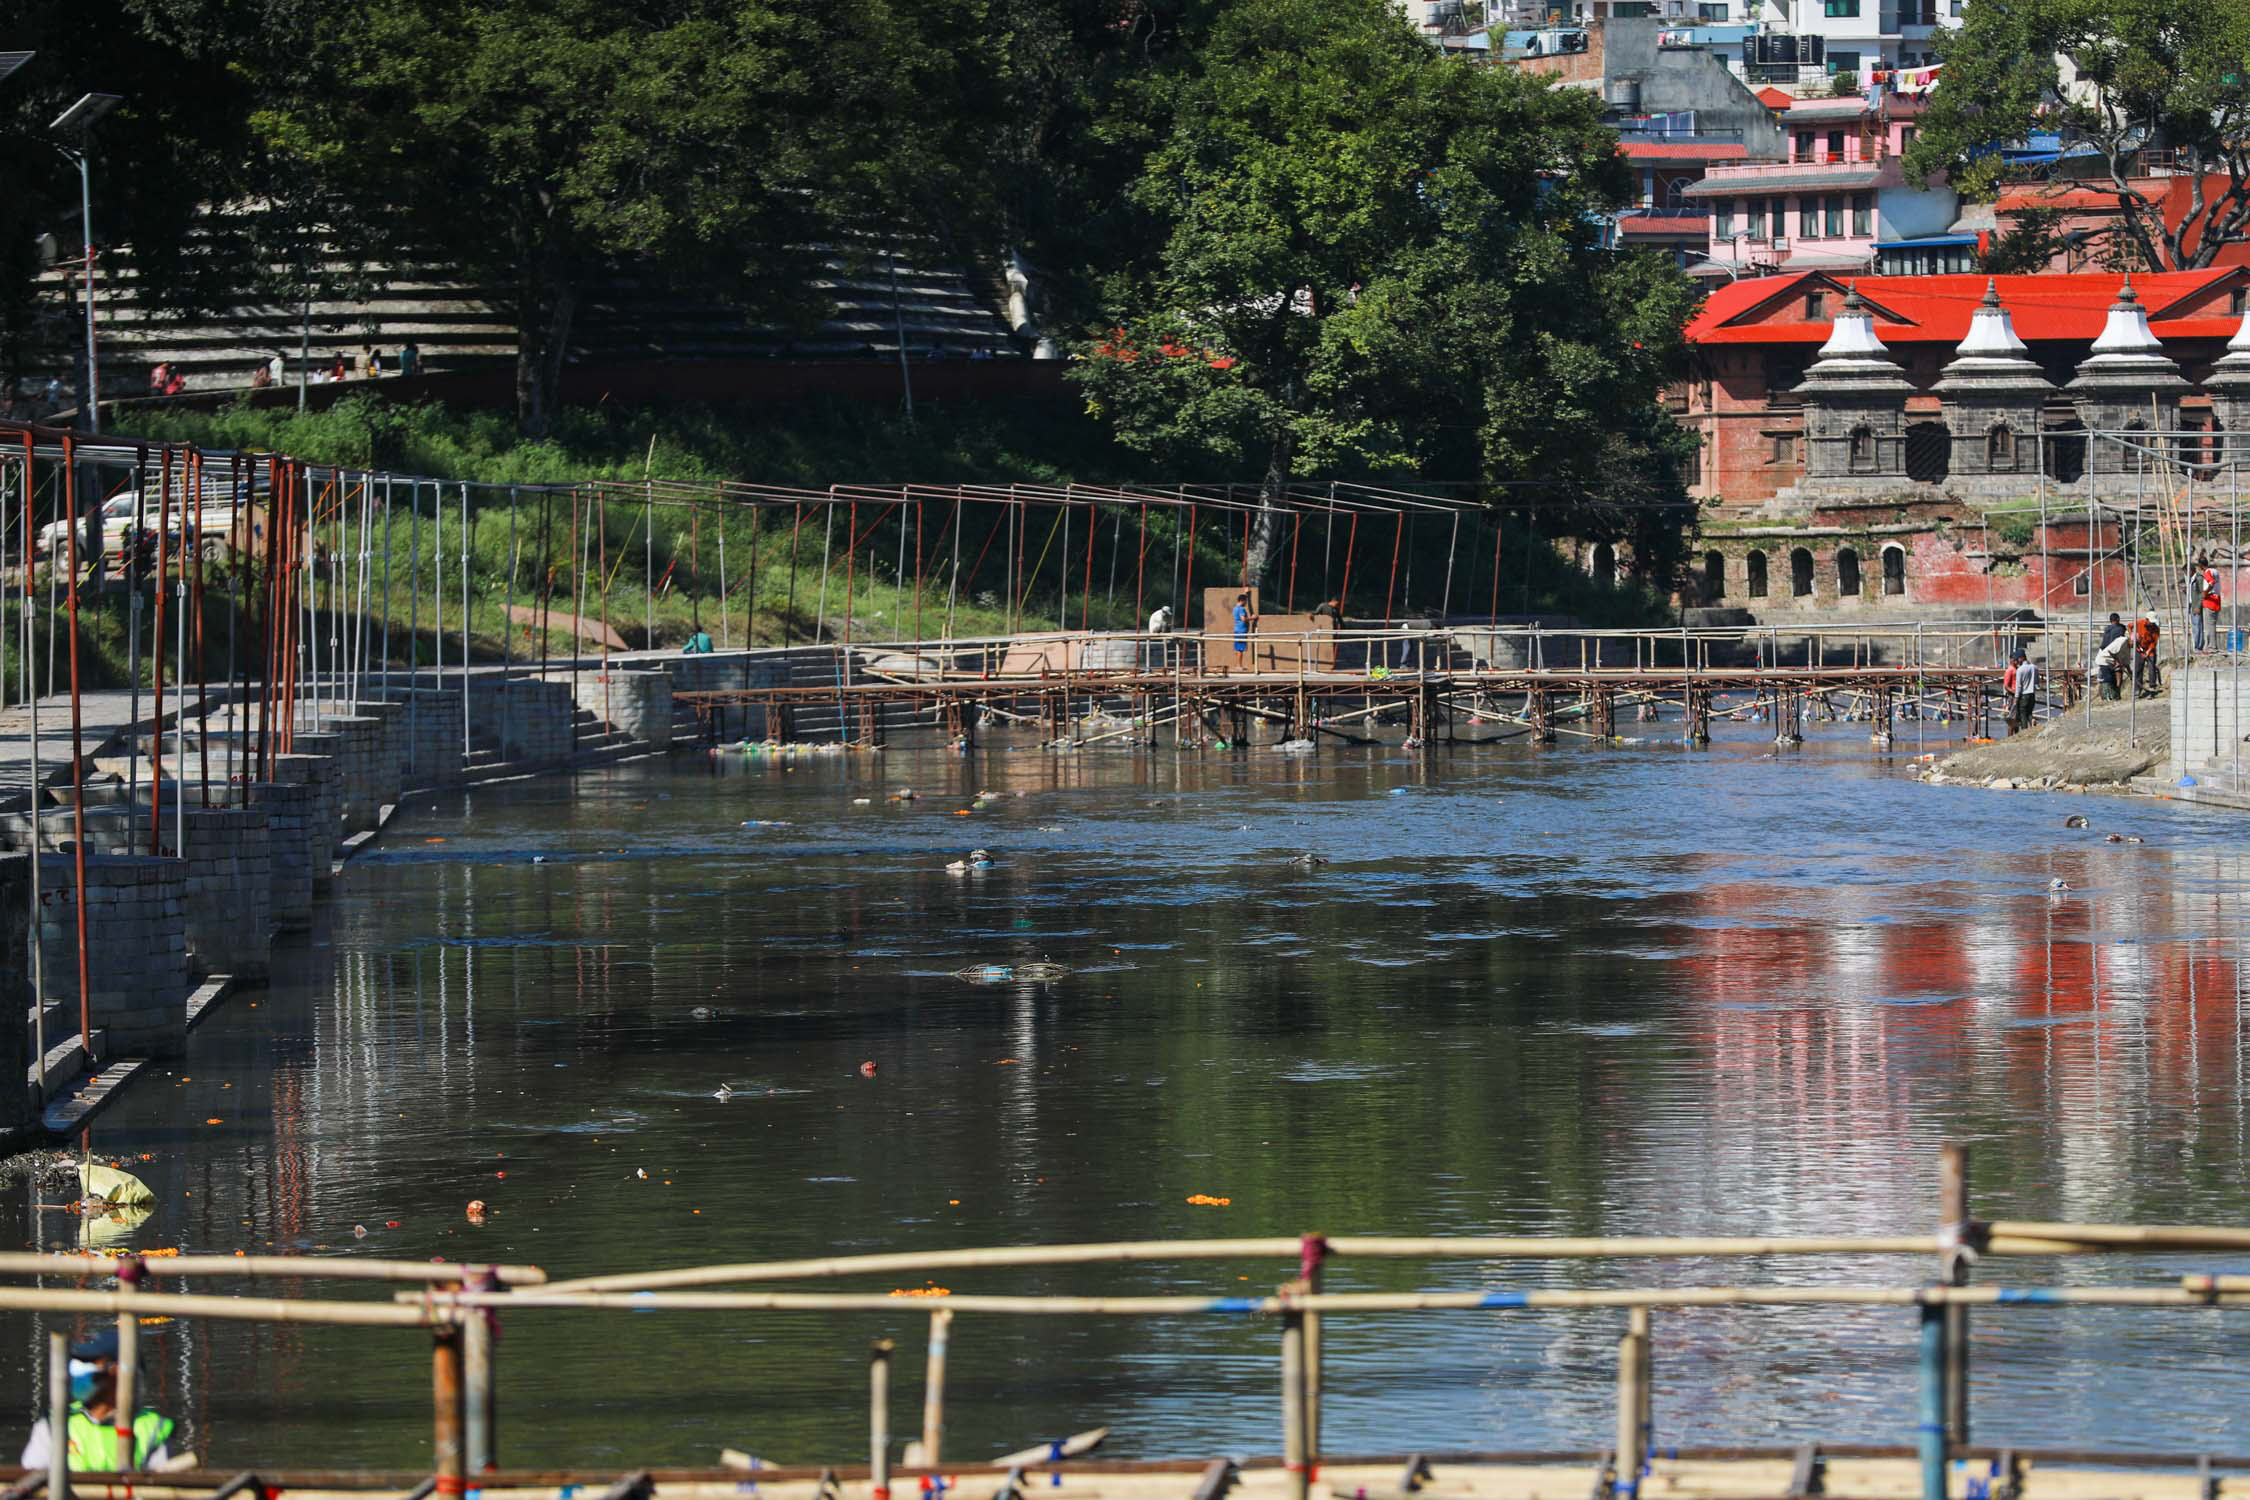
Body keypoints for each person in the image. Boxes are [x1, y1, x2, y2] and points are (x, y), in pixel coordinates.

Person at [20, 1327, 175, 1473]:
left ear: (116, 1373)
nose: (78, 1369)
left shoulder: (154, 1429)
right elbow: (29, 1482)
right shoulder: (54, 1423)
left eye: (89, 1362)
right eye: (79, 1361)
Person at [2193, 552, 2222, 651]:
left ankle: (2212, 646)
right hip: (2216, 599)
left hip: (2210, 600)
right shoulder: (2215, 571)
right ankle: (2211, 645)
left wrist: (2206, 592)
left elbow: (2211, 582)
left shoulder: (2208, 572)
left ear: (2200, 565)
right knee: (2212, 624)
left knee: (2210, 625)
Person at [2007, 649, 2038, 734]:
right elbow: (2037, 682)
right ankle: (2032, 720)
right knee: (2029, 712)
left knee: (2023, 714)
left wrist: (2016, 698)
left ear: (2022, 658)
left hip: (2024, 695)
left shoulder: (2020, 670)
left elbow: (2019, 686)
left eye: (2017, 659)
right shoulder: (2034, 667)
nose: (2017, 661)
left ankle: (2025, 731)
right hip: (2032, 694)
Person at [2093, 629, 2129, 701]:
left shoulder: (2127, 646)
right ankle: (2106, 696)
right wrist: (2117, 661)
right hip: (2104, 660)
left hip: (2112, 662)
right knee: (2107, 678)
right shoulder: (2119, 641)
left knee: (2113, 679)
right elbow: (2110, 652)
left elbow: (2125, 661)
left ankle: (2115, 695)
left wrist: (2130, 671)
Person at [2133, 612, 2163, 696]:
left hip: (2150, 650)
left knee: (2151, 667)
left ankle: (2152, 686)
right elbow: (2129, 626)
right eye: (2150, 622)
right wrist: (2133, 636)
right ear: (2146, 620)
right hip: (2139, 649)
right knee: (2138, 668)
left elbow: (2154, 642)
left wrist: (2148, 651)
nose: (2152, 624)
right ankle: (2137, 689)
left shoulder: (2156, 629)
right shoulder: (2139, 623)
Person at [1230, 591, 1255, 671]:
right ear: (1243, 601)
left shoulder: (1235, 608)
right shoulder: (1241, 609)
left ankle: (1238, 664)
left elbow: (1242, 597)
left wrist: (1245, 593)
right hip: (1241, 631)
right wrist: (1252, 618)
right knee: (1240, 649)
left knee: (1238, 649)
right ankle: (1239, 666)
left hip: (1237, 630)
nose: (1246, 603)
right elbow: (1243, 619)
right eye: (1246, 602)